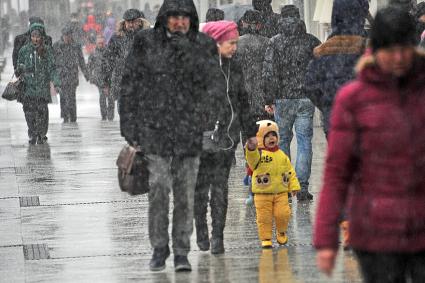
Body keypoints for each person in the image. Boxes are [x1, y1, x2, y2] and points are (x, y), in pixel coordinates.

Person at [314, 7, 425, 283]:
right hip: (375, 233)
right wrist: (326, 237)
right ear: (375, 50)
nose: (399, 58)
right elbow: (337, 172)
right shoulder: (353, 99)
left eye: (405, 48)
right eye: (390, 50)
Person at [119, 0, 226, 272]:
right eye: (174, 17)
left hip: (188, 133)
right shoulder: (146, 42)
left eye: (184, 17)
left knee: (185, 193)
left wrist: (206, 115)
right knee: (159, 188)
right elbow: (130, 84)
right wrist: (129, 125)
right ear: (164, 18)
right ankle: (159, 247)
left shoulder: (202, 45)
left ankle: (181, 250)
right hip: (154, 132)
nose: (179, 22)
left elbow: (214, 84)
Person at [195, 20, 257, 254]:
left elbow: (242, 99)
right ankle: (200, 228)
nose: (235, 47)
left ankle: (217, 236)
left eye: (236, 43)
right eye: (231, 43)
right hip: (198, 137)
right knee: (200, 188)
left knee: (220, 188)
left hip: (226, 138)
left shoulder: (234, 66)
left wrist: (250, 133)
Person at [262, 16, 321, 201]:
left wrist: (269, 98)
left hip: (283, 98)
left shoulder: (275, 42)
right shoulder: (311, 40)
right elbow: (319, 67)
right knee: (304, 143)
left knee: (283, 141)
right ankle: (302, 187)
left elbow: (269, 73)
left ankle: (286, 186)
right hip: (305, 98)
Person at [305, 0, 369, 138]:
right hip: (366, 122)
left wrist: (328, 105)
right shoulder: (370, 48)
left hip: (334, 122)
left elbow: (310, 85)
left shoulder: (324, 51)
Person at [246, 120, 300, 248]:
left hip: (281, 192)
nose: (272, 138)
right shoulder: (258, 155)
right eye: (268, 136)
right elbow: (251, 159)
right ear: (261, 139)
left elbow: (289, 171)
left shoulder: (282, 155)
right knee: (264, 218)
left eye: (274, 135)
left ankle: (281, 231)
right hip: (262, 193)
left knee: (283, 214)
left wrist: (294, 185)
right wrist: (251, 147)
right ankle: (266, 238)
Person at [16, 23, 60, 145]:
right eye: (33, 35)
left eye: (38, 36)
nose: (35, 38)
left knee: (42, 112)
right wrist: (20, 69)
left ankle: (41, 133)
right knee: (29, 112)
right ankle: (32, 133)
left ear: (41, 37)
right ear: (30, 36)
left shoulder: (46, 51)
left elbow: (52, 68)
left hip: (42, 88)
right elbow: (19, 66)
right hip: (28, 88)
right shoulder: (24, 50)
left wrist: (56, 83)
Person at [101, 9, 149, 111]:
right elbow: (107, 60)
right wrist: (106, 82)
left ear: (139, 21)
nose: (131, 24)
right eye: (128, 22)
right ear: (124, 22)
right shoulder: (116, 38)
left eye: (133, 21)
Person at [236, 10, 269, 120]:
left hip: (243, 92)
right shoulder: (268, 43)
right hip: (263, 93)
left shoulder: (236, 43)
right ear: (259, 25)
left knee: (246, 131)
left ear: (244, 23)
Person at [53, 26, 89, 123]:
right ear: (62, 36)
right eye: (65, 36)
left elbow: (81, 60)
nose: (67, 38)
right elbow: (52, 62)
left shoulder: (76, 46)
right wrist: (52, 77)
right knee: (63, 97)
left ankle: (73, 117)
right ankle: (65, 116)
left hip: (72, 75)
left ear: (71, 36)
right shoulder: (56, 46)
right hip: (61, 76)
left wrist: (86, 74)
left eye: (68, 36)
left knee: (72, 97)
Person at [87, 36, 113, 121]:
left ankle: (110, 115)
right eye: (99, 43)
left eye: (102, 43)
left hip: (109, 77)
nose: (101, 45)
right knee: (102, 96)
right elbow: (89, 66)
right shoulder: (93, 54)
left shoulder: (109, 52)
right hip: (99, 78)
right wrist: (90, 76)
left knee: (110, 97)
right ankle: (104, 115)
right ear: (96, 44)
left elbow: (112, 64)